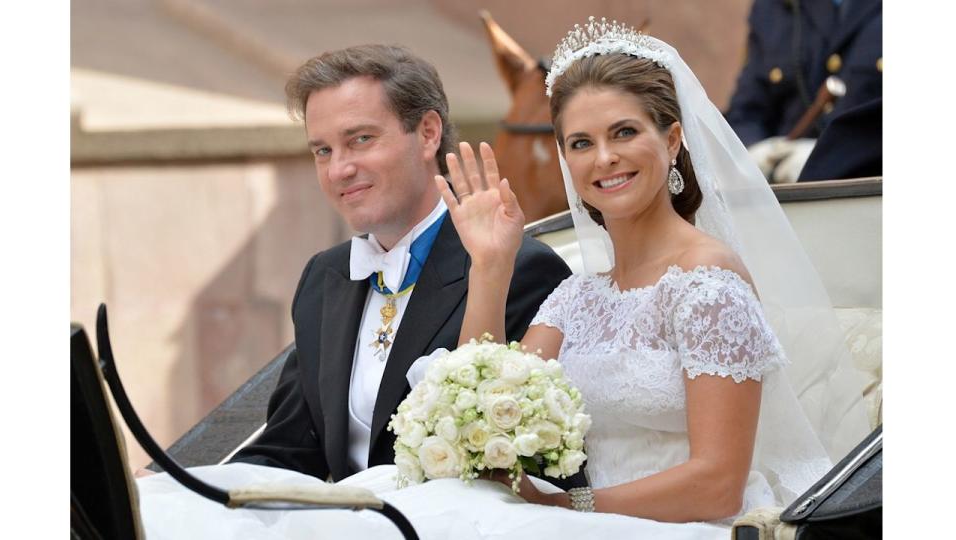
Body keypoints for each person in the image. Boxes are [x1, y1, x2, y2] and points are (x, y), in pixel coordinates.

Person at [137, 21, 869, 539]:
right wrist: (488, 266)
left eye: (624, 133)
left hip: (676, 522)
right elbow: (477, 407)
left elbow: (716, 482)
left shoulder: (708, 284)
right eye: (579, 142)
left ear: (671, 139)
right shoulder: (577, 293)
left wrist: (567, 509)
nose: (602, 159)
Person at [225, 44, 574, 484]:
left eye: (360, 140)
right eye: (323, 151)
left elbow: (523, 461)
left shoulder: (521, 269)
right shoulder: (324, 276)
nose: (339, 170)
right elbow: (290, 449)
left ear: (428, 133)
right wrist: (174, 488)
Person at [725, 0, 882, 182]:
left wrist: (832, 157)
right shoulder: (771, 7)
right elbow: (746, 112)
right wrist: (753, 151)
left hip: (871, 194)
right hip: (786, 195)